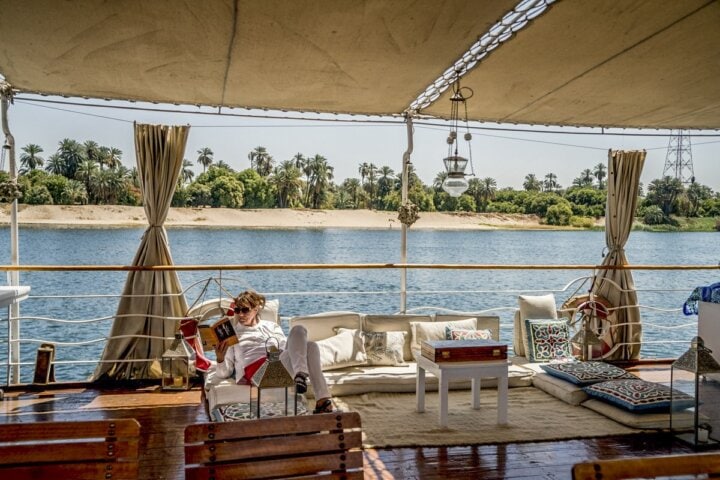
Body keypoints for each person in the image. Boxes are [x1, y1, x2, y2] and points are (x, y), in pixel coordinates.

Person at [215, 290, 335, 414]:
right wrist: (220, 359)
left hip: (277, 365)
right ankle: (307, 383)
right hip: (257, 375)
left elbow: (289, 351)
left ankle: (316, 393)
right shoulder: (231, 335)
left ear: (256, 309)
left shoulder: (272, 327)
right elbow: (224, 373)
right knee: (309, 346)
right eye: (237, 310)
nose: (240, 314)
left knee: (303, 336)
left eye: (245, 310)